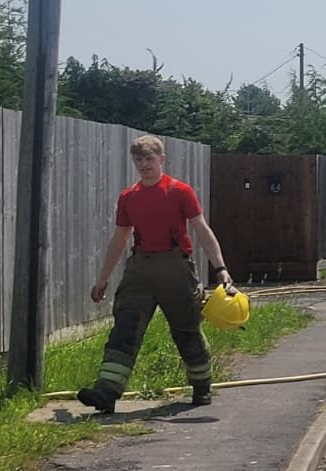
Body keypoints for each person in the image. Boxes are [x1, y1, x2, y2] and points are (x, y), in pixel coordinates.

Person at [76, 135, 236, 415]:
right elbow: (119, 239)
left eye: (149, 158)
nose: (144, 165)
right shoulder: (129, 197)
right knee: (125, 328)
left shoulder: (179, 191)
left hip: (175, 267)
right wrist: (103, 278)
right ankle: (106, 392)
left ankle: (201, 386)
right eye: (138, 159)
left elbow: (201, 230)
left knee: (186, 329)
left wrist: (220, 268)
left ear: (161, 159)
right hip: (140, 269)